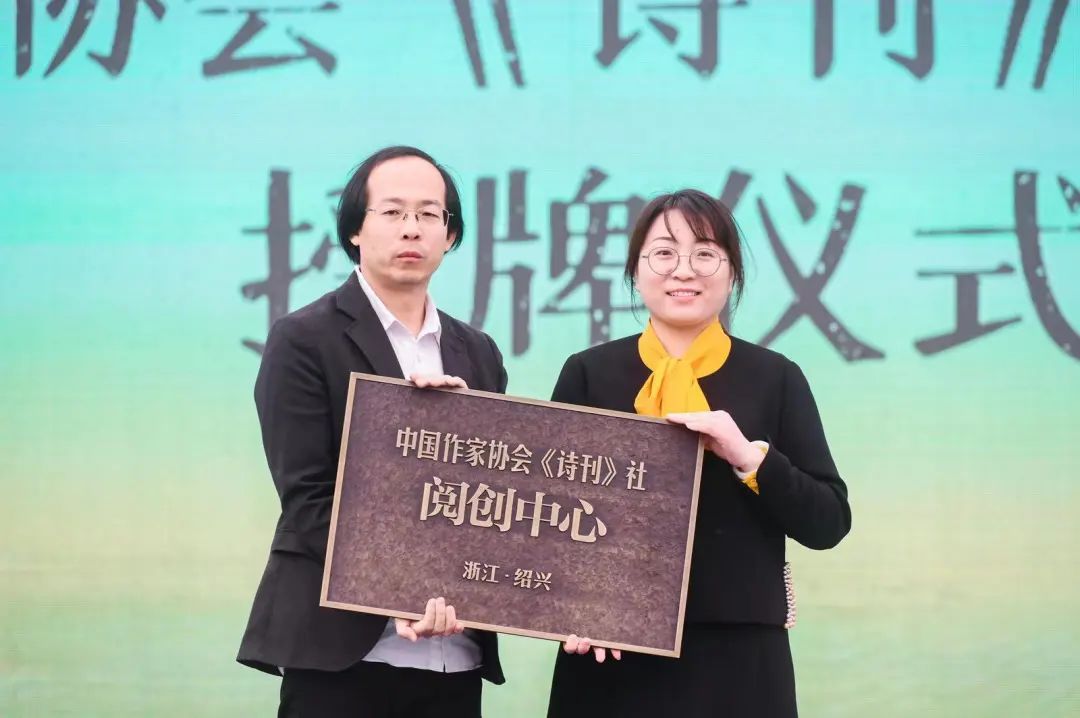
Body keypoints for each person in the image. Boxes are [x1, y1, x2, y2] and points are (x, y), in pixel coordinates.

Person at [546, 189, 851, 718]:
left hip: (739, 660)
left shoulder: (775, 377)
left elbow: (828, 522)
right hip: (608, 651)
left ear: (732, 273)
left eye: (705, 253)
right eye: (663, 253)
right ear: (635, 272)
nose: (683, 270)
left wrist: (748, 457)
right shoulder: (589, 373)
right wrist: (566, 609)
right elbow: (545, 515)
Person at [237, 146, 508, 718]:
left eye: (429, 214)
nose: (412, 228)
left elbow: (494, 500)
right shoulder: (304, 339)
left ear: (450, 235)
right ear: (355, 229)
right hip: (343, 660)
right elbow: (309, 497)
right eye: (392, 212)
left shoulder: (478, 353)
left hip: (454, 658)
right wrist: (399, 589)